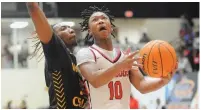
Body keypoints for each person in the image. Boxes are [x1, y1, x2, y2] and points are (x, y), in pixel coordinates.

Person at [76, 6, 177, 109]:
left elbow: (142, 85)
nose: (100, 21)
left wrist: (163, 81)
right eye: (95, 20)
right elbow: (95, 80)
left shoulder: (125, 57)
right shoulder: (85, 53)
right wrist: (120, 66)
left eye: (104, 18)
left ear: (111, 27)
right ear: (89, 31)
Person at [26, 2, 89, 109]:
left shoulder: (73, 58)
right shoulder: (56, 50)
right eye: (63, 28)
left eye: (70, 27)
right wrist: (32, 5)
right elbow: (34, 9)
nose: (71, 30)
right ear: (54, 36)